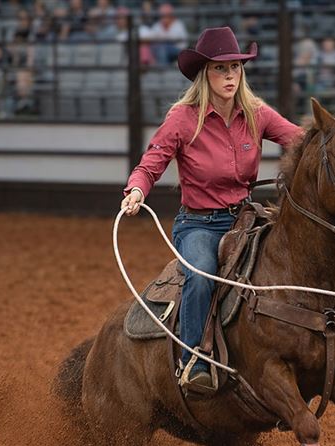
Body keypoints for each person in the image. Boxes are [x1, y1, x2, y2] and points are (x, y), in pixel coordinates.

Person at [120, 27, 302, 393]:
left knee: (285, 266)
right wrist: (137, 190)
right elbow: (152, 161)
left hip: (246, 219)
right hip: (199, 225)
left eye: (235, 67)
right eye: (221, 69)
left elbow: (301, 140)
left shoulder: (256, 113)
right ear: (205, 73)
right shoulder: (183, 118)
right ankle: (192, 360)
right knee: (202, 276)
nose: (230, 76)